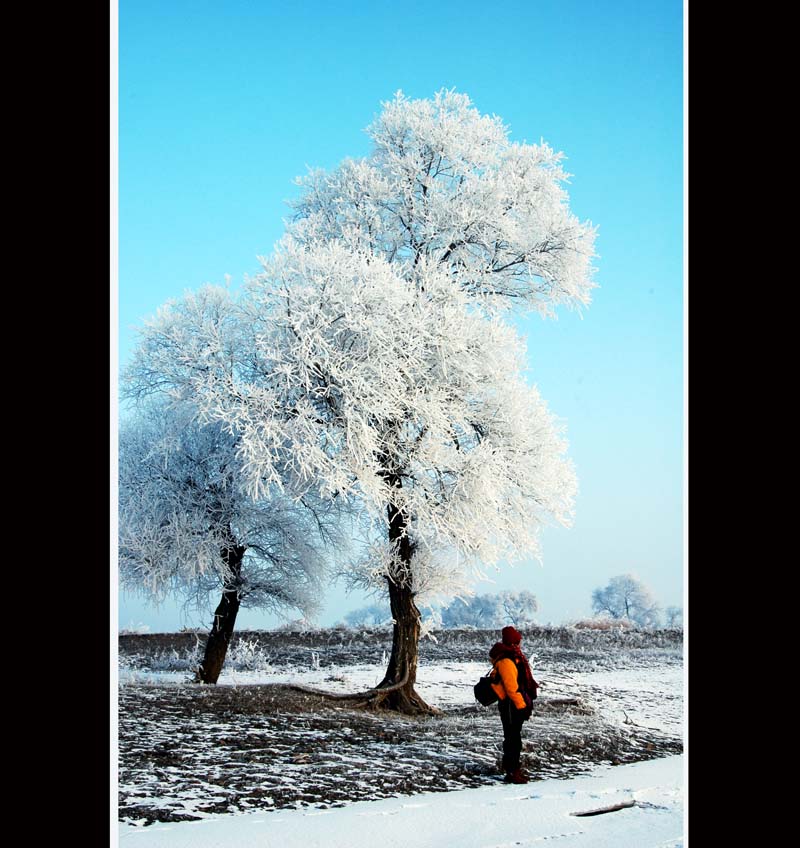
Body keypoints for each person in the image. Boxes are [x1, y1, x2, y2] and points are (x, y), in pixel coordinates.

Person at [489, 625, 539, 784]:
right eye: (517, 641)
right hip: (510, 705)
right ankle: (512, 772)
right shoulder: (506, 661)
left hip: (512, 704)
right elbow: (511, 688)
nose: (519, 644)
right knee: (512, 739)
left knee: (513, 737)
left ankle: (513, 769)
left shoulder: (513, 657)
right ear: (513, 642)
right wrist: (522, 706)